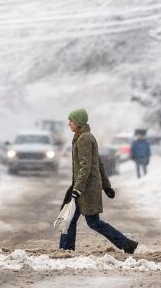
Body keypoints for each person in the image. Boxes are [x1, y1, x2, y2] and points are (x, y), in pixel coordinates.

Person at [59, 109, 138, 254]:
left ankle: (127, 244)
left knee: (93, 222)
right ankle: (66, 249)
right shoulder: (81, 137)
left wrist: (77, 189)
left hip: (86, 189)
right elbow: (98, 163)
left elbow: (86, 166)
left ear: (79, 122)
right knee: (70, 218)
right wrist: (107, 186)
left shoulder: (85, 139)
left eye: (71, 121)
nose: (69, 123)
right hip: (83, 187)